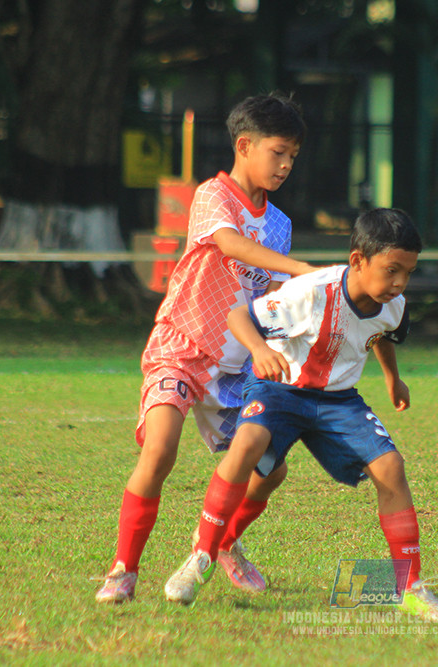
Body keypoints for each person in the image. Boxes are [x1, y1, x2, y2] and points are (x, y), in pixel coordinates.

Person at [162, 208, 438, 622]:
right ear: (357, 260)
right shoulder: (312, 291)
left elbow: (382, 335)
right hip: (279, 389)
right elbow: (239, 316)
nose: (401, 283)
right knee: (248, 445)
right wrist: (261, 351)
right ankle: (202, 557)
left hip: (338, 400)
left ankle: (410, 586)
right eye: (392, 271)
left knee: (391, 468)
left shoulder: (395, 305)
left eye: (408, 272)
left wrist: (393, 379)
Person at [96, 93, 316, 604]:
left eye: (293, 157)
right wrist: (305, 269)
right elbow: (233, 246)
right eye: (278, 152)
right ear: (245, 145)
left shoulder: (279, 224)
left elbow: (265, 295)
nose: (285, 165)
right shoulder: (212, 196)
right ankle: (123, 569)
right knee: (160, 450)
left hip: (236, 365)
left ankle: (223, 541)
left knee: (271, 468)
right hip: (182, 345)